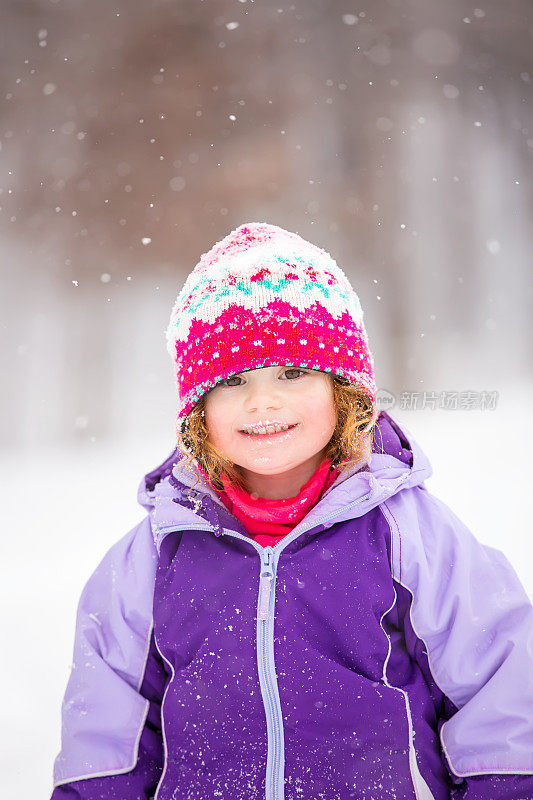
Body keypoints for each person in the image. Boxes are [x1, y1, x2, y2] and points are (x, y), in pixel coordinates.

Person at [50, 222, 533, 800]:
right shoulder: (157, 554)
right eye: (232, 380)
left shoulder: (409, 534)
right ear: (198, 411)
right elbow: (105, 735)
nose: (263, 401)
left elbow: (500, 690)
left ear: (343, 389)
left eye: (293, 372)